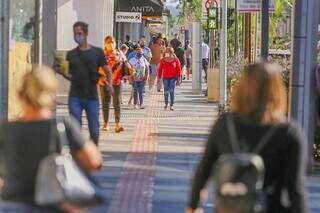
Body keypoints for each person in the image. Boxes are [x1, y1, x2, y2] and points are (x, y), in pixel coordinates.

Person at [186, 62, 307, 213]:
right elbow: (295, 189)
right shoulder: (288, 132)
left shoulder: (225, 124)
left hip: (229, 208)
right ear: (277, 91)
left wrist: (193, 205)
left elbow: (204, 169)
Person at [0, 66, 102, 212]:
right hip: (55, 205)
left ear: (20, 94)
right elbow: (94, 162)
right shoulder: (63, 126)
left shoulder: (5, 129)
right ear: (52, 95)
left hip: (13, 205)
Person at [57, 21, 112, 145]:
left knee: (94, 130)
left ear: (86, 34)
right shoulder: (71, 54)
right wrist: (62, 72)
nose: (77, 36)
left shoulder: (97, 52)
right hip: (75, 96)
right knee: (75, 129)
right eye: (75, 34)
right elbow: (69, 75)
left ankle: (92, 153)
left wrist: (110, 85)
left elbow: (108, 71)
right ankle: (78, 155)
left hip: (91, 96)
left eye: (80, 33)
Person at [101, 35, 132, 133]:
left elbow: (126, 64)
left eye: (112, 42)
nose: (111, 44)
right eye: (108, 42)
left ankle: (118, 123)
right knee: (105, 102)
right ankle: (106, 123)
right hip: (103, 81)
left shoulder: (119, 53)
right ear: (105, 43)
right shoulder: (101, 54)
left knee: (117, 102)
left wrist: (128, 72)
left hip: (117, 82)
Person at [129, 45, 149, 109]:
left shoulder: (144, 59)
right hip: (134, 78)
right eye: (138, 52)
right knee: (135, 91)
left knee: (141, 91)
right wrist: (130, 78)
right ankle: (135, 104)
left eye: (141, 52)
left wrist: (146, 77)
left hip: (142, 78)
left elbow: (147, 68)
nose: (139, 53)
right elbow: (129, 69)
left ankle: (141, 104)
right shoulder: (132, 60)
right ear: (136, 52)